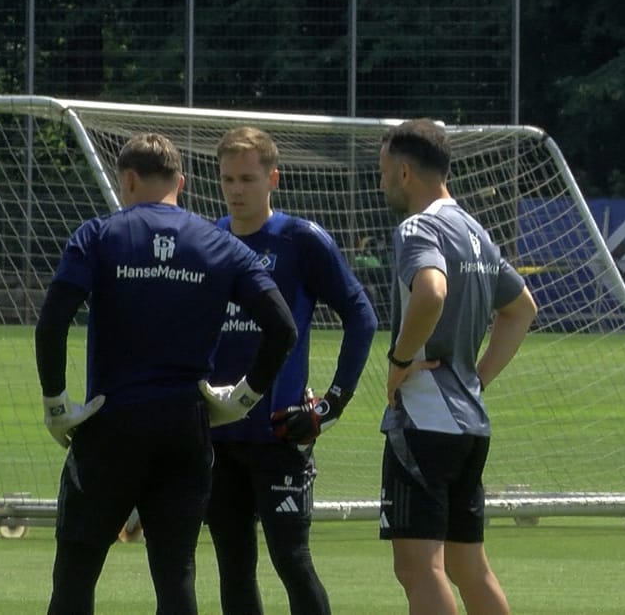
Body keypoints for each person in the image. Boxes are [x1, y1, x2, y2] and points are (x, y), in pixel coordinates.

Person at [34, 132, 298, 615]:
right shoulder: (220, 245)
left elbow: (52, 321)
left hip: (110, 426)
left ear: (128, 179)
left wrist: (56, 405)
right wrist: (243, 398)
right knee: (176, 576)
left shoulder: (97, 236)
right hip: (185, 429)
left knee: (76, 566)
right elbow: (282, 328)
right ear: (182, 181)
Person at [204, 126, 378, 615]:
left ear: (272, 179)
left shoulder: (301, 241)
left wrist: (331, 404)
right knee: (232, 563)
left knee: (291, 559)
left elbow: (361, 315)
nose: (237, 190)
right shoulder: (210, 240)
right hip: (219, 434)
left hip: (280, 431)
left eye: (247, 179)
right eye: (227, 180)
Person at [376, 119, 537, 615]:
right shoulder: (474, 231)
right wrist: (478, 378)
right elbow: (522, 309)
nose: (380, 183)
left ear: (404, 172)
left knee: (418, 568)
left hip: (426, 420)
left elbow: (431, 291)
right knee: (471, 568)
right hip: (469, 424)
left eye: (383, 172)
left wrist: (400, 360)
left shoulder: (419, 227)